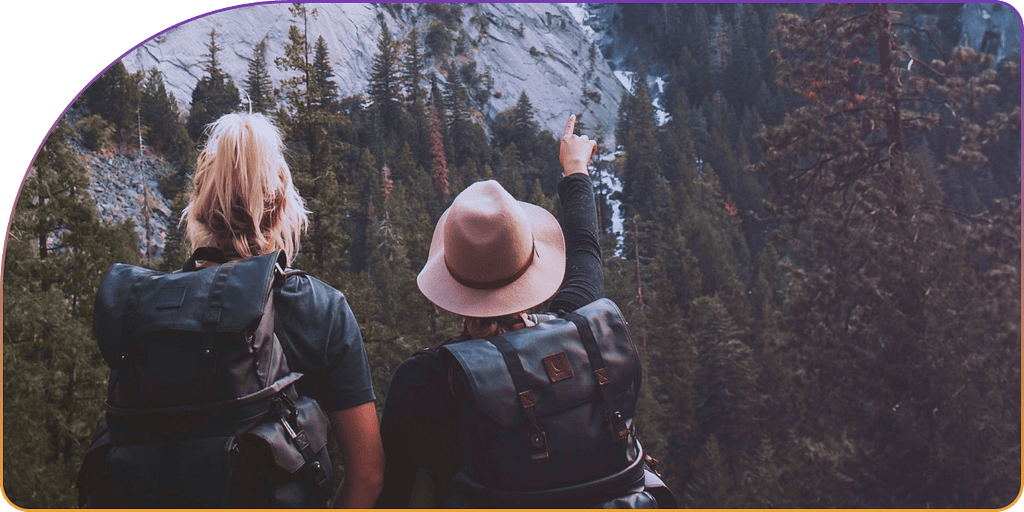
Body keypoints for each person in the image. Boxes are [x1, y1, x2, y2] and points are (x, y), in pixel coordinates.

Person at [376, 114, 603, 507]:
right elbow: (585, 253)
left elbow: (391, 494)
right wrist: (575, 168)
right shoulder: (572, 336)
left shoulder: (421, 382)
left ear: (451, 283)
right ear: (531, 268)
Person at [183, 112, 385, 508]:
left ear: (200, 208)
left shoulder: (160, 307)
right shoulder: (322, 309)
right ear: (283, 206)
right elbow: (368, 475)